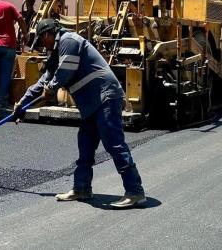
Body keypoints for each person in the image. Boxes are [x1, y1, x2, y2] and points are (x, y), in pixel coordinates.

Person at [13, 19, 146, 208]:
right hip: (91, 104)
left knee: (114, 144)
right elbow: (42, 83)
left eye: (43, 41)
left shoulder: (69, 40)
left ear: (48, 34)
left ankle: (135, 191)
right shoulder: (56, 54)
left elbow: (66, 71)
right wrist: (21, 105)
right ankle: (81, 188)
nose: (43, 47)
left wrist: (50, 89)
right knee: (85, 146)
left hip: (105, 98)